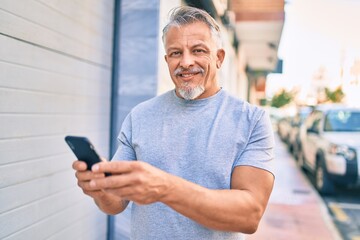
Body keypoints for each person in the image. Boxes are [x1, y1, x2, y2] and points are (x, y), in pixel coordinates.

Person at [73, 6, 274, 240]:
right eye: (176, 53)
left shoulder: (252, 120)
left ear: (219, 58)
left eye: (198, 50)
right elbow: (116, 203)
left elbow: (249, 216)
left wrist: (165, 188)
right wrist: (100, 190)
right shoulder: (140, 116)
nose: (186, 62)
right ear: (167, 60)